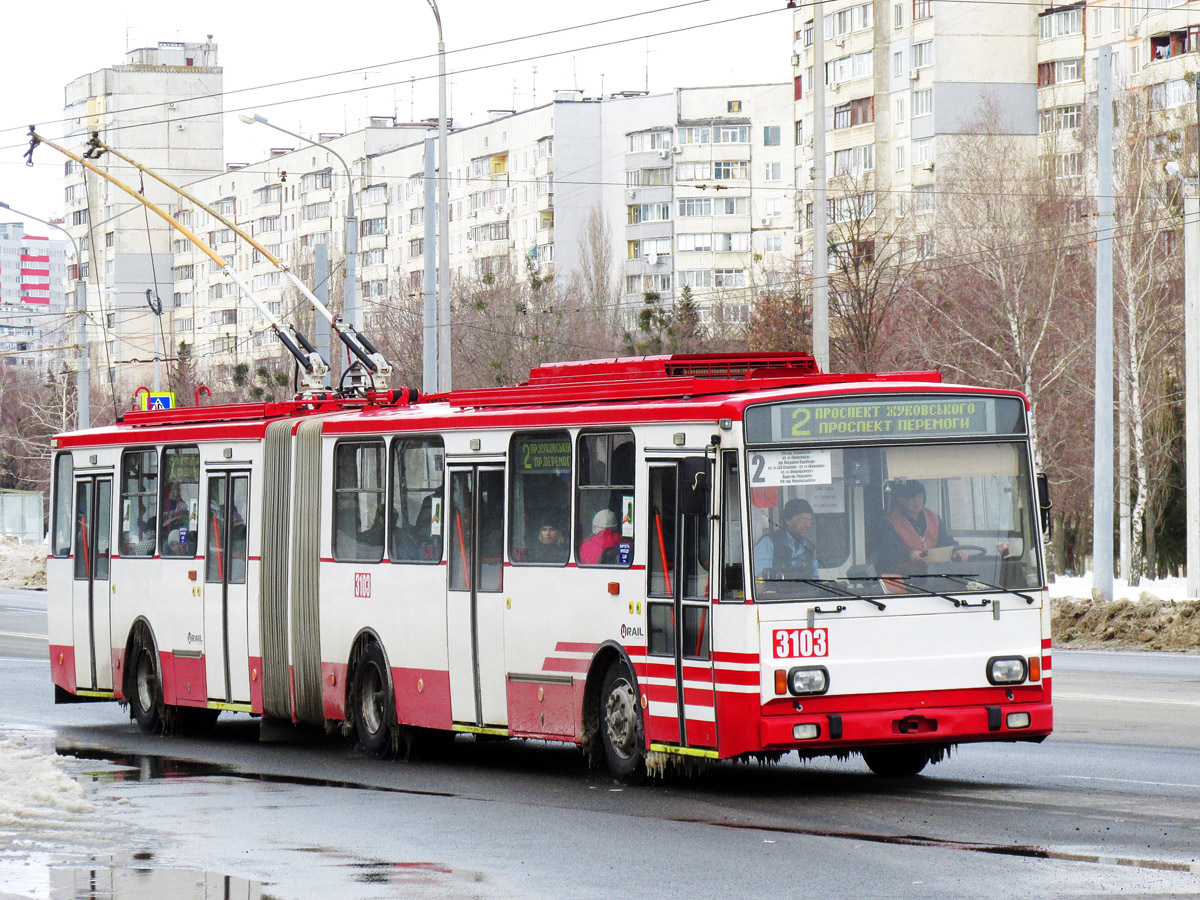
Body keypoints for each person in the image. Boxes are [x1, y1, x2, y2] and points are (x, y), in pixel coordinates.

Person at [876, 481, 967, 576]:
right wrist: (909, 555)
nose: (917, 501)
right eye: (912, 498)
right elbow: (888, 553)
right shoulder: (889, 522)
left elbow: (946, 540)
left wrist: (956, 550)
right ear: (900, 500)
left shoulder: (934, 518)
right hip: (904, 576)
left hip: (933, 572)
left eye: (920, 497)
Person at [753, 498, 818, 580]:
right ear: (788, 520)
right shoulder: (769, 543)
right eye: (803, 520)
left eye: (810, 520)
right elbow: (760, 579)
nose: (808, 525)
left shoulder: (810, 548)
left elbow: (815, 580)